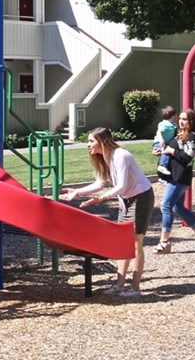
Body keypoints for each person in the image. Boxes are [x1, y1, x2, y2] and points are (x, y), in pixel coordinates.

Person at [60, 127, 155, 297]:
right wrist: (78, 192)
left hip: (140, 197)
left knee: (135, 242)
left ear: (102, 142)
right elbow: (100, 183)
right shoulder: (103, 158)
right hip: (126, 200)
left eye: (91, 141)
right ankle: (119, 285)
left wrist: (101, 198)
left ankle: (135, 288)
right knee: (122, 241)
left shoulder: (121, 155)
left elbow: (122, 186)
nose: (88, 145)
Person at [153, 108, 195, 254]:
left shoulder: (191, 137)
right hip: (174, 175)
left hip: (180, 177)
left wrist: (171, 151)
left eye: (185, 119)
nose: (181, 121)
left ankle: (164, 242)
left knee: (165, 206)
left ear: (191, 122)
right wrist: (161, 152)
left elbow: (187, 157)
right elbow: (174, 153)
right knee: (177, 207)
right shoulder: (179, 134)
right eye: (180, 118)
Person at [153, 106, 178, 176]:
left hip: (162, 143)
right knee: (166, 152)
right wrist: (161, 140)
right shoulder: (165, 124)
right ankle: (162, 166)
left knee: (165, 153)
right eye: (176, 115)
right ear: (173, 116)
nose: (177, 117)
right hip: (159, 143)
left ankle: (161, 175)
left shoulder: (171, 125)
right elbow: (158, 132)